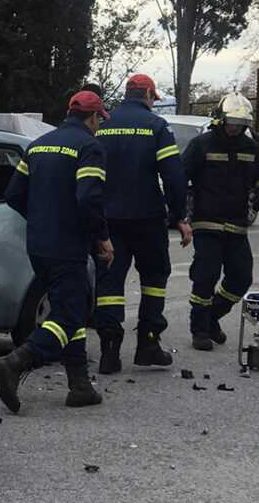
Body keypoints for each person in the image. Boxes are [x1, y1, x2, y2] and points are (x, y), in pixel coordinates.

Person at [0, 91, 113, 413]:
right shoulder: (89, 147)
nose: (99, 126)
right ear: (94, 117)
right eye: (100, 120)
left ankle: (80, 384)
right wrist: (101, 237)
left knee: (72, 307)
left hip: (39, 245)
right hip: (68, 245)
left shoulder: (38, 145)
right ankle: (14, 364)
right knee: (69, 314)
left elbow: (14, 194)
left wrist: (42, 219)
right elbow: (88, 199)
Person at [93, 74, 191, 374]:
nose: (153, 103)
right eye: (153, 98)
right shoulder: (157, 127)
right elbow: (174, 177)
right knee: (154, 280)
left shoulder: (103, 124)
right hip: (148, 217)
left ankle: (109, 352)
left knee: (109, 284)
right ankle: (148, 344)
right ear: (147, 94)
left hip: (109, 219)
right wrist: (179, 216)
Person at [182, 93, 259, 351]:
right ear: (221, 120)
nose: (235, 127)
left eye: (240, 123)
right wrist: (181, 215)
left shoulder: (249, 147)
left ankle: (212, 318)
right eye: (231, 122)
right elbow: (181, 177)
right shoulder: (201, 145)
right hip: (207, 224)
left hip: (236, 225)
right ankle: (199, 329)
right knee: (205, 277)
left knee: (241, 277)